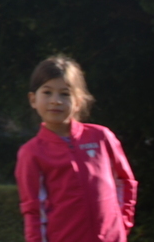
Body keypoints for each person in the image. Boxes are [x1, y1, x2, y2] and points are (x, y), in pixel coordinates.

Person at [15, 55, 137, 242]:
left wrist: (122, 225)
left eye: (65, 94)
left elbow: (125, 182)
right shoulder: (31, 153)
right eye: (47, 92)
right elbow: (33, 211)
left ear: (78, 101)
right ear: (33, 99)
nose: (55, 101)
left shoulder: (101, 137)